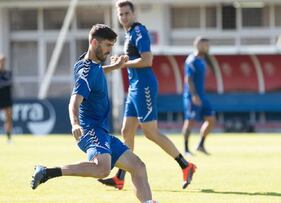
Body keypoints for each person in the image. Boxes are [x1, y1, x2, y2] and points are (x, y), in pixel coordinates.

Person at [31, 24, 157, 203]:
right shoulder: (86, 71)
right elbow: (73, 102)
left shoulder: (91, 65)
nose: (109, 50)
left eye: (111, 46)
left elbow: (96, 73)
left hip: (101, 131)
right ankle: (47, 172)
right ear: (94, 42)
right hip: (89, 130)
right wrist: (75, 123)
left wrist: (114, 67)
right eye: (107, 45)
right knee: (103, 169)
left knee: (138, 166)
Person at [98, 0, 196, 190]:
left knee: (150, 132)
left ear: (133, 14)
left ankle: (186, 165)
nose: (124, 17)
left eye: (127, 13)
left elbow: (147, 60)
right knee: (127, 131)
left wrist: (123, 64)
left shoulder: (139, 32)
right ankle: (120, 177)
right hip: (135, 88)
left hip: (144, 87)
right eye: (121, 14)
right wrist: (123, 62)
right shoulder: (128, 35)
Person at [182, 37, 216, 156]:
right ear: (198, 45)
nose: (207, 47)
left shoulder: (203, 60)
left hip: (202, 95)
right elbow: (189, 79)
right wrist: (194, 95)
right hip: (192, 96)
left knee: (211, 120)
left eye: (208, 45)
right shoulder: (192, 60)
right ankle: (186, 149)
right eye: (205, 45)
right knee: (190, 121)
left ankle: (200, 145)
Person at [0, 55, 13, 143]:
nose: (2, 62)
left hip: (6, 98)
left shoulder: (8, 73)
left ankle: (8, 138)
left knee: (8, 118)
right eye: (1, 60)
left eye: (3, 61)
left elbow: (8, 82)